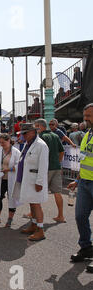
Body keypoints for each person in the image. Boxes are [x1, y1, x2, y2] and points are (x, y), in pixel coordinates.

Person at [12, 123, 49, 241]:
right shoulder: (29, 144)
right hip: (27, 178)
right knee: (32, 203)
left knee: (36, 204)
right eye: (22, 133)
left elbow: (43, 166)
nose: (23, 135)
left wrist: (40, 182)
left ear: (33, 132)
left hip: (35, 180)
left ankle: (40, 229)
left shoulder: (41, 145)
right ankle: (33, 225)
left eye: (25, 133)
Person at [67, 103, 93, 273]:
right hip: (84, 183)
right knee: (80, 216)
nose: (85, 119)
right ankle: (86, 248)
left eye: (89, 116)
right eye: (85, 116)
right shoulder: (87, 135)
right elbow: (84, 160)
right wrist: (77, 180)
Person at [34, 119, 66, 223]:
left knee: (37, 192)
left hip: (45, 168)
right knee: (57, 192)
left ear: (39, 126)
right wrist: (58, 162)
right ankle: (61, 215)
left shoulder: (40, 137)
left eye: (35, 126)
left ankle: (35, 215)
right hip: (56, 167)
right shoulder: (55, 136)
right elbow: (62, 151)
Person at [0, 133, 21, 227]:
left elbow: (19, 165)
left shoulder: (16, 152)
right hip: (0, 178)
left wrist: (8, 169)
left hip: (11, 178)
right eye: (0, 142)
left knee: (12, 198)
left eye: (3, 142)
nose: (1, 144)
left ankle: (10, 219)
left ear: (9, 140)